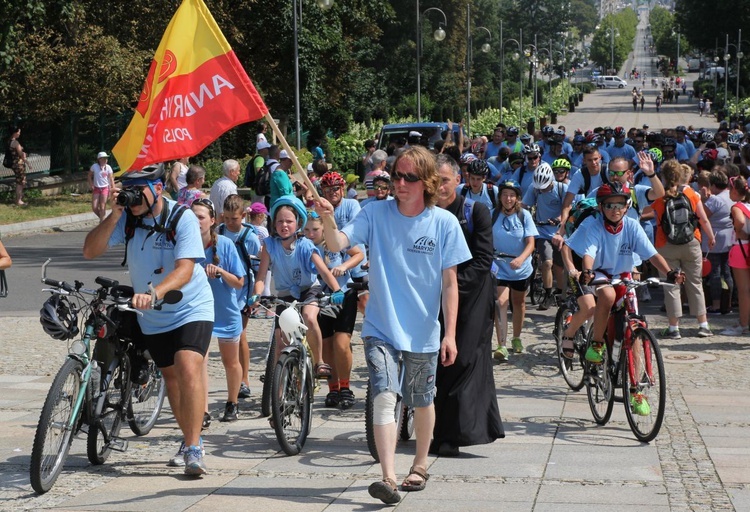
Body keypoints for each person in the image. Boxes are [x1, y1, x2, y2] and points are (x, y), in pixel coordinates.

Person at [314, 146, 470, 505]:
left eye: (408, 177)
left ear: (427, 182)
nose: (399, 183)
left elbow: (450, 284)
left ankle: (419, 465)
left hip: (423, 330)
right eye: (396, 176)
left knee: (420, 399)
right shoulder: (375, 213)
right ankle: (388, 476)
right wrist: (327, 218)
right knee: (384, 394)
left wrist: (449, 334)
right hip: (381, 326)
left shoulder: (443, 223)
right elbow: (338, 243)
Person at [82, 164, 213, 476]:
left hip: (190, 306)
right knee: (171, 379)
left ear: (157, 187)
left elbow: (184, 268)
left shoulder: (182, 218)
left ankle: (194, 447)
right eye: (128, 188)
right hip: (153, 318)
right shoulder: (127, 218)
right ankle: (187, 439)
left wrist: (156, 292)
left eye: (138, 188)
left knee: (187, 366)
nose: (132, 196)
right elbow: (89, 251)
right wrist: (113, 213)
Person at [561, 183, 683, 393]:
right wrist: (587, 271)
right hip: (601, 272)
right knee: (606, 296)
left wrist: (670, 272)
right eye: (609, 205)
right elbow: (589, 253)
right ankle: (597, 345)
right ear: (600, 207)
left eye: (620, 205)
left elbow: (652, 255)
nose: (615, 210)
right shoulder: (594, 226)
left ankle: (636, 390)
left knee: (633, 321)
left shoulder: (633, 226)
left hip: (623, 275)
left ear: (627, 206)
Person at [432, 153, 504, 456]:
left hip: (473, 293)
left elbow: (483, 259)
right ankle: (432, 426)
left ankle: (454, 434)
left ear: (457, 181)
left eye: (445, 180)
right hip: (432, 292)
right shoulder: (424, 213)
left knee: (461, 360)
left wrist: (452, 288)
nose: (440, 187)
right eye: (435, 181)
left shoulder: (477, 211)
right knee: (432, 359)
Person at [250, 195, 345, 381]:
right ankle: (279, 386)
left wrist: (337, 290)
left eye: (289, 221)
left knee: (309, 317)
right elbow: (261, 277)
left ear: (298, 223)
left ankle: (319, 362)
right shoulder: (269, 245)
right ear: (274, 224)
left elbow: (324, 272)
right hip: (285, 294)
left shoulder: (305, 245)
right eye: (279, 221)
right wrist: (257, 294)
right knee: (280, 340)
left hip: (309, 290)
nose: (284, 225)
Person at [191, 198, 245, 423]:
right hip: (197, 312)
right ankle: (202, 410)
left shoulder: (224, 244)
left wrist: (220, 272)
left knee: (230, 361)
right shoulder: (185, 244)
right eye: (192, 217)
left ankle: (232, 402)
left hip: (225, 310)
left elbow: (239, 282)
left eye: (201, 217)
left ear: (212, 220)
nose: (196, 221)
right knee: (199, 361)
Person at [303, 212, 363, 409]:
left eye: (315, 230)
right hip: (320, 299)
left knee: (341, 343)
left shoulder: (334, 242)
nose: (311, 234)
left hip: (344, 295)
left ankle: (345, 387)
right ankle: (333, 389)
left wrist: (344, 266)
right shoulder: (305, 247)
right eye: (307, 230)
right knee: (326, 344)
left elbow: (359, 254)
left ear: (323, 229)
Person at [652, 160, 715, 339]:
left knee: (671, 285)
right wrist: (710, 237)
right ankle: (703, 325)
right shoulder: (691, 193)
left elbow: (655, 215)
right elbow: (702, 218)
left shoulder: (659, 196)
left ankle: (674, 328)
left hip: (666, 244)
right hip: (691, 241)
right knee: (695, 283)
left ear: (663, 176)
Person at [218, 195, 261, 399]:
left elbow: (258, 268)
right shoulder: (219, 232)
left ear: (243, 216)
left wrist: (255, 296)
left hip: (242, 293)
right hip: (223, 291)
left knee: (240, 334)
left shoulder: (249, 237)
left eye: (233, 219)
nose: (229, 222)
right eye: (225, 218)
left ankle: (244, 379)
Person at [492, 180, 538, 360]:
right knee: (500, 302)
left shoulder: (524, 215)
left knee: (518, 303)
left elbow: (531, 243)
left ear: (517, 198)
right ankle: (501, 344)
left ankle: (516, 337)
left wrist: (521, 258)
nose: (508, 198)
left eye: (511, 195)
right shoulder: (492, 215)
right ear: (500, 196)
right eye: (504, 194)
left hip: (521, 268)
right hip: (500, 266)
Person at [522, 162, 567, 310]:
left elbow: (568, 208)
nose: (542, 189)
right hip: (541, 231)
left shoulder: (562, 189)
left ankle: (560, 293)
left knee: (560, 266)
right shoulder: (534, 189)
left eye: (544, 186)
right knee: (547, 263)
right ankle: (548, 295)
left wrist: (559, 219)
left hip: (558, 232)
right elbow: (524, 206)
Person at [699, 171, 734, 315]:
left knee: (715, 272)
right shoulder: (731, 195)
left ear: (713, 185)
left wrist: (701, 199)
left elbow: (701, 215)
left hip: (714, 239)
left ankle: (716, 305)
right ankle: (728, 304)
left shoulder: (716, 200)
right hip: (729, 238)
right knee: (727, 273)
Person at [723, 176, 750, 334]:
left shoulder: (736, 207)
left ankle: (743, 324)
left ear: (734, 190)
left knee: (744, 290)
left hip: (741, 249)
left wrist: (740, 232)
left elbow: (739, 222)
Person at [209, 159, 240, 224]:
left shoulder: (217, 183)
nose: (239, 173)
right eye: (238, 170)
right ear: (232, 172)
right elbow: (224, 213)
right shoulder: (229, 187)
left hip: (214, 223)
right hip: (224, 227)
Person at [88, 152, 115, 222]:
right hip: (96, 188)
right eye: (104, 158)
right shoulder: (94, 166)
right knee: (94, 207)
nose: (106, 160)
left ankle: (102, 223)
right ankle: (103, 219)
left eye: (106, 158)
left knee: (103, 207)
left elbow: (111, 179)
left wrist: (113, 189)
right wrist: (91, 184)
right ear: (99, 159)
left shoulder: (108, 167)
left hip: (105, 188)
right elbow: (89, 176)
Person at [7, 126, 27, 206]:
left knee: (20, 181)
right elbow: (21, 154)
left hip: (14, 164)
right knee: (21, 182)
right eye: (19, 132)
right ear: (15, 133)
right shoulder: (16, 142)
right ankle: (19, 200)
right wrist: (24, 154)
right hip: (19, 164)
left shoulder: (9, 141)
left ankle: (19, 198)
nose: (19, 133)